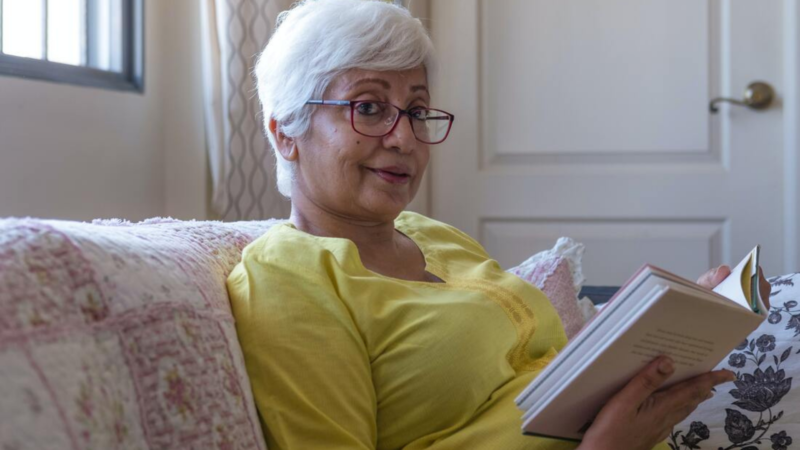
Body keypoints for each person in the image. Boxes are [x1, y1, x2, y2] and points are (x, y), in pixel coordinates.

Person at [226, 1, 769, 448]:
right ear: (285, 132)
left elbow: (548, 377)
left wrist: (658, 323)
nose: (404, 138)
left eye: (417, 110)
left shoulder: (433, 236)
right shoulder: (286, 277)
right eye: (369, 108)